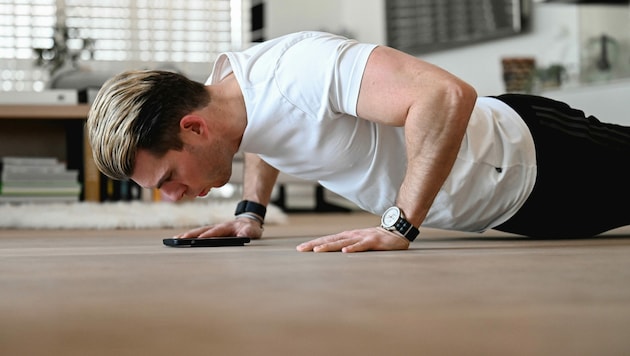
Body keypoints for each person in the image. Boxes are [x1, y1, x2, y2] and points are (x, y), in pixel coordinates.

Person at [87, 31, 630, 253]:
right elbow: (261, 136)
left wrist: (398, 224)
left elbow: (444, 95)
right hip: (503, 209)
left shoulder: (300, 70)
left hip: (540, 159)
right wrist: (250, 211)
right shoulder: (227, 104)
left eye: (168, 180)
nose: (173, 197)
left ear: (192, 129)